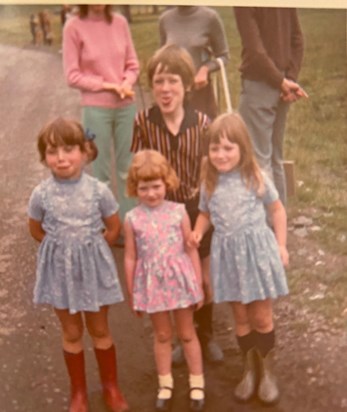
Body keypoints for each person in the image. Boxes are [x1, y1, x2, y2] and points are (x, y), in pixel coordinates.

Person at [28, 117, 129, 412]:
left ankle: (111, 387)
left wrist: (92, 250)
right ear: (44, 157)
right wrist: (61, 250)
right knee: (72, 333)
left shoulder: (99, 190)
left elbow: (112, 226)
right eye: (52, 151)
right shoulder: (41, 194)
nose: (60, 158)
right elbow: (35, 229)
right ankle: (79, 393)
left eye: (69, 149)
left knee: (99, 330)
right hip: (60, 273)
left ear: (86, 152)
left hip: (93, 270)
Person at [131, 44, 223, 364]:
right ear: (151, 86)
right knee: (173, 279)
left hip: (197, 210)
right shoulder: (143, 121)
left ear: (186, 85)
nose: (165, 89)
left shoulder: (202, 123)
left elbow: (211, 172)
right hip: (161, 215)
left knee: (205, 280)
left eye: (172, 81)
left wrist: (204, 209)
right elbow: (138, 168)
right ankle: (183, 338)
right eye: (158, 82)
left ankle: (206, 333)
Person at [189, 112, 289, 405]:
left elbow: (277, 210)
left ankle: (267, 373)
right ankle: (250, 370)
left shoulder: (255, 176)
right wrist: (197, 232)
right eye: (215, 148)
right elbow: (205, 213)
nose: (221, 155)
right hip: (228, 257)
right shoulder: (209, 182)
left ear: (243, 148)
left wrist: (281, 246)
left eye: (228, 148)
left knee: (261, 316)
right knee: (241, 318)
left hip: (256, 254)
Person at [124, 149, 205, 412]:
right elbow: (130, 257)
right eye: (144, 188)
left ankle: (197, 382)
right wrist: (132, 292)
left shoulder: (178, 211)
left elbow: (190, 248)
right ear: (135, 188)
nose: (151, 193)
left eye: (156, 186)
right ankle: (165, 382)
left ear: (166, 183)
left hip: (180, 282)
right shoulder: (132, 218)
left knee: (187, 333)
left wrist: (198, 284)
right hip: (153, 286)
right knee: (162, 335)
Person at [63, 4, 140, 223]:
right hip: (96, 108)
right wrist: (108, 86)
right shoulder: (73, 27)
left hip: (126, 106)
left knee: (128, 168)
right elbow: (72, 76)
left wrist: (125, 83)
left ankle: (129, 224)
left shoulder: (120, 22)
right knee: (101, 172)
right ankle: (109, 226)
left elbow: (133, 65)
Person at [233, 7, 307, 207]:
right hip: (281, 83)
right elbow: (297, 40)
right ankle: (279, 229)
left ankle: (266, 229)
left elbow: (255, 51)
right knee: (275, 158)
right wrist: (287, 79)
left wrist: (283, 82)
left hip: (261, 83)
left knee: (259, 159)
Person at [159, 5, 230, 120]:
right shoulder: (165, 20)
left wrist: (205, 69)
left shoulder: (210, 17)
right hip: (173, 95)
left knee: (203, 134)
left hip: (200, 94)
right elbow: (162, 58)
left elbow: (224, 56)